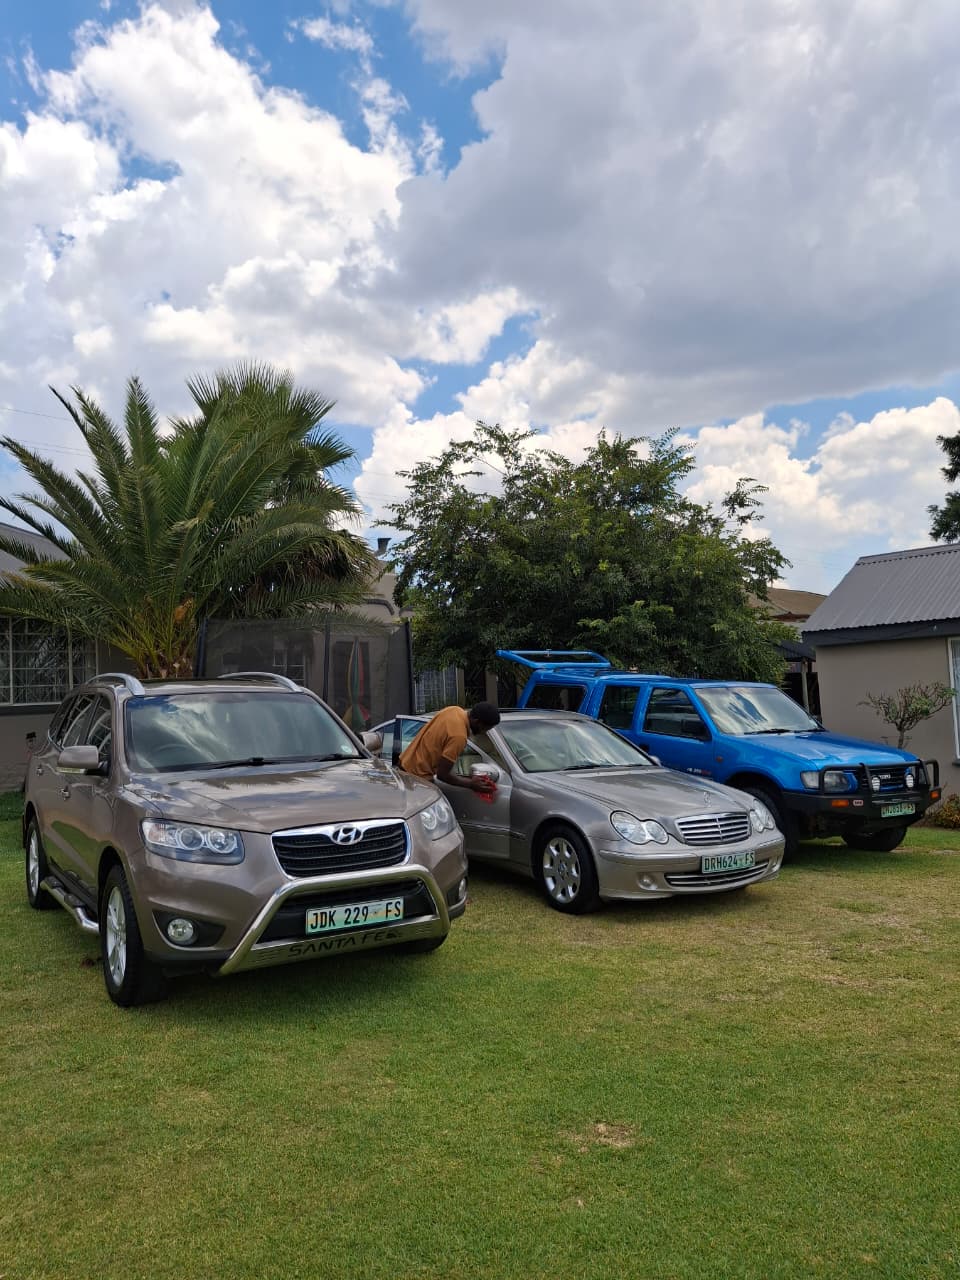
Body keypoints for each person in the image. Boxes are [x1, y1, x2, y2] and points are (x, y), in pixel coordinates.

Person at [399, 702, 501, 791]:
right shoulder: (459, 737)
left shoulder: (454, 710)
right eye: (485, 729)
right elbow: (442, 775)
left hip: (402, 768)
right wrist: (471, 784)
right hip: (417, 781)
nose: (483, 732)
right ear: (477, 721)